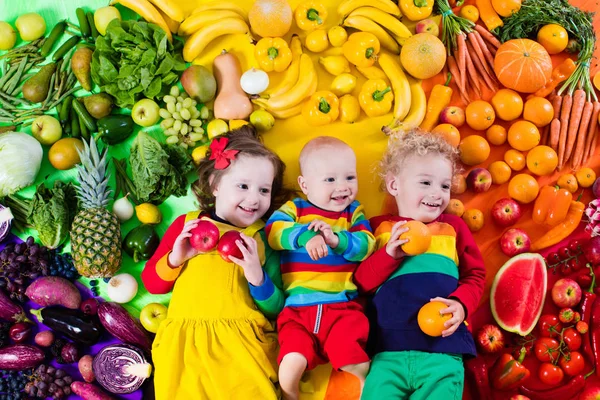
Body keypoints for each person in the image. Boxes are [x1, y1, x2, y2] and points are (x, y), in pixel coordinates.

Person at [141, 126, 290, 400]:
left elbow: (277, 308)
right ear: (216, 185)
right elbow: (151, 283)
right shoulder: (188, 224)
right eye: (243, 186)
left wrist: (258, 278)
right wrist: (176, 258)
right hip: (186, 348)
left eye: (264, 190)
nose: (254, 198)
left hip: (241, 349)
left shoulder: (262, 237)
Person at [354, 129, 486, 400]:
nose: (437, 193)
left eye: (444, 185)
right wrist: (389, 255)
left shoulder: (453, 228)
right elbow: (361, 283)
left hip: (443, 352)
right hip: (386, 354)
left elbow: (475, 275)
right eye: (425, 183)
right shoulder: (377, 229)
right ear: (394, 185)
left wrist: (461, 304)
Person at [264, 136, 376, 400]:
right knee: (290, 363)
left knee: (355, 361)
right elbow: (273, 231)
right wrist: (306, 237)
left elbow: (367, 244)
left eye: (350, 177)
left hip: (341, 309)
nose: (342, 188)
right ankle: (290, 395)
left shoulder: (352, 213)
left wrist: (336, 240)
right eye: (330, 180)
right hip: (297, 313)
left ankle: (369, 390)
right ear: (305, 185)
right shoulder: (295, 209)